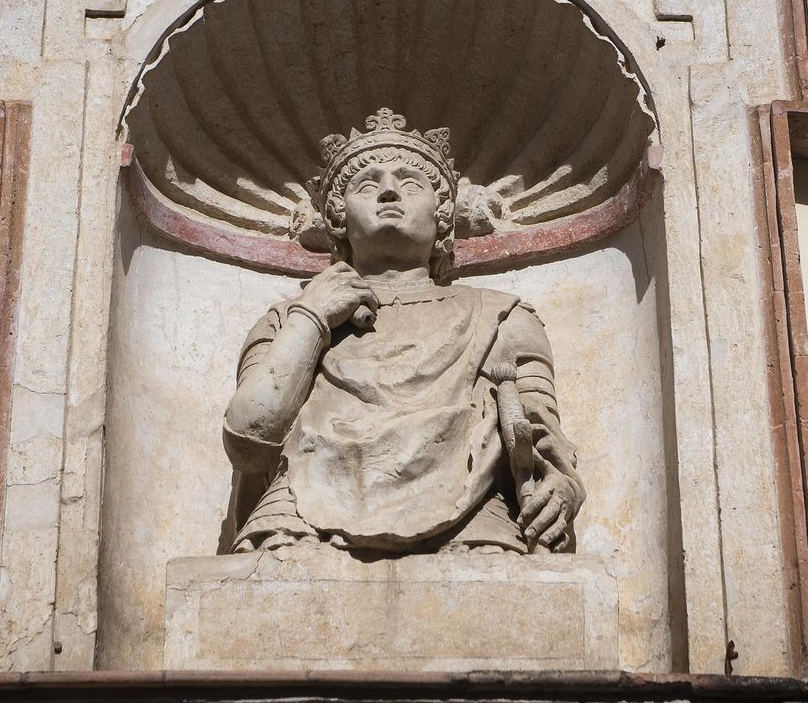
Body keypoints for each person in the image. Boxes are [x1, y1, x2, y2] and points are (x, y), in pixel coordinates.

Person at [222, 109, 585, 556]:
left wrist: (560, 488)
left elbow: (538, 432)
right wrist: (312, 317)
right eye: (367, 184)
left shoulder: (501, 316)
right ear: (338, 216)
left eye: (411, 183)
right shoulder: (288, 318)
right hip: (298, 509)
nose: (390, 190)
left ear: (443, 216)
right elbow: (248, 441)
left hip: (471, 514)